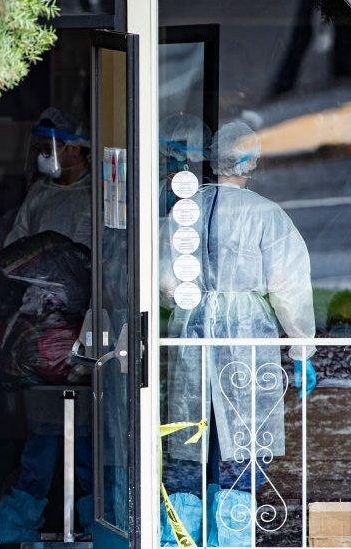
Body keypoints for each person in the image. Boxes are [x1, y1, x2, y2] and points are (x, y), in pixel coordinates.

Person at [160, 121, 317, 547]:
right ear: (251, 160)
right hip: (246, 333)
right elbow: (290, 287)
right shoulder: (266, 214)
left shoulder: (186, 209)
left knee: (189, 439)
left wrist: (200, 302)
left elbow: (167, 280)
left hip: (192, 327)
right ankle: (230, 539)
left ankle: (179, 539)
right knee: (241, 440)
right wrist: (302, 347)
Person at [0, 108, 96, 544]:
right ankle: (18, 525)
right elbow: (13, 253)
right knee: (42, 438)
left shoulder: (101, 195)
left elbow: (109, 260)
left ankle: (99, 521)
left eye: (49, 146)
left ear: (73, 146)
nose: (42, 155)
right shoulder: (41, 196)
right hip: (39, 331)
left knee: (88, 437)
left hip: (88, 325)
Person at [5, 107, 92, 248]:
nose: (42, 156)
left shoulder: (93, 195)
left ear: (75, 148)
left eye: (48, 149)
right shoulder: (39, 191)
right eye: (41, 149)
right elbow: (16, 240)